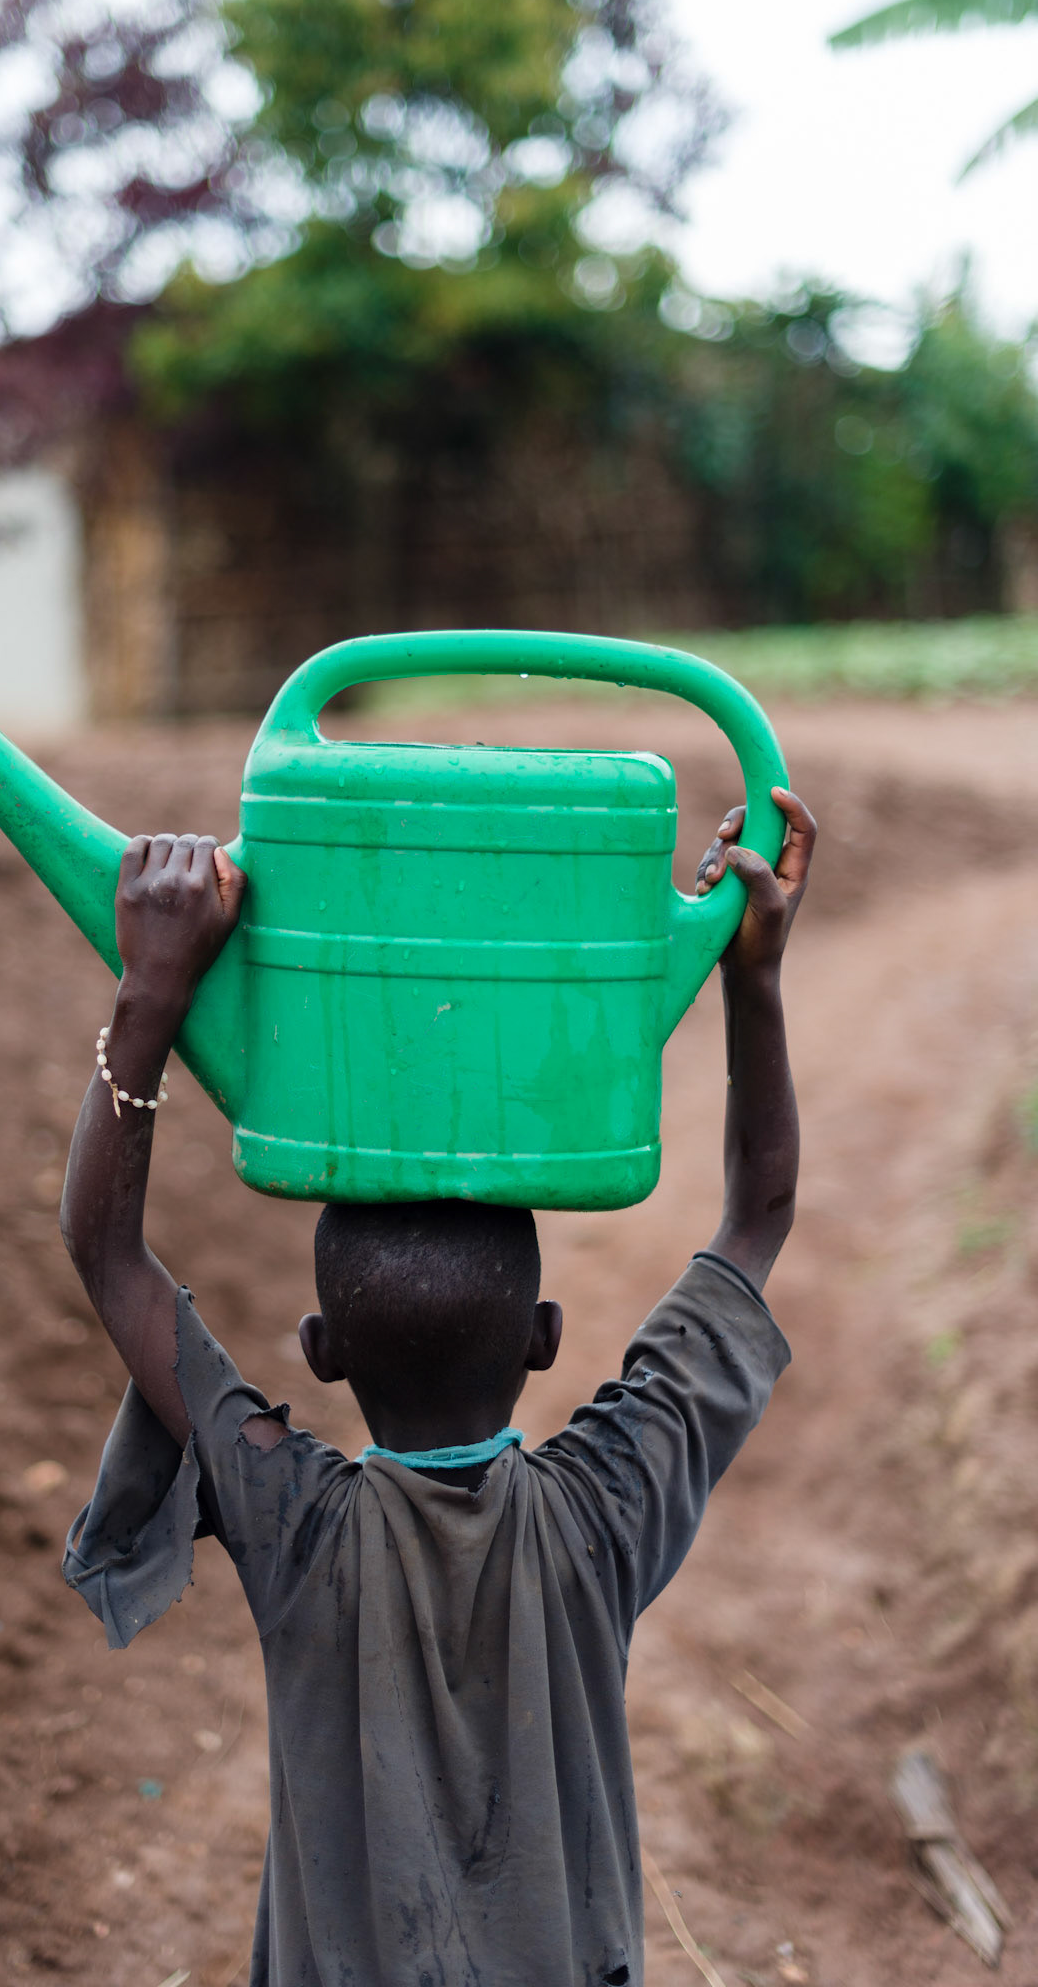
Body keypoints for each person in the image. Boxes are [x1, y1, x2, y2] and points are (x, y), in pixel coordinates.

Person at [60, 787, 817, 1987]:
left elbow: (107, 1254)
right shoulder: (603, 1508)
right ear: (543, 1338)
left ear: (321, 1351)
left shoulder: (292, 1522)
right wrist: (750, 975)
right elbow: (757, 1213)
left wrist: (150, 991)